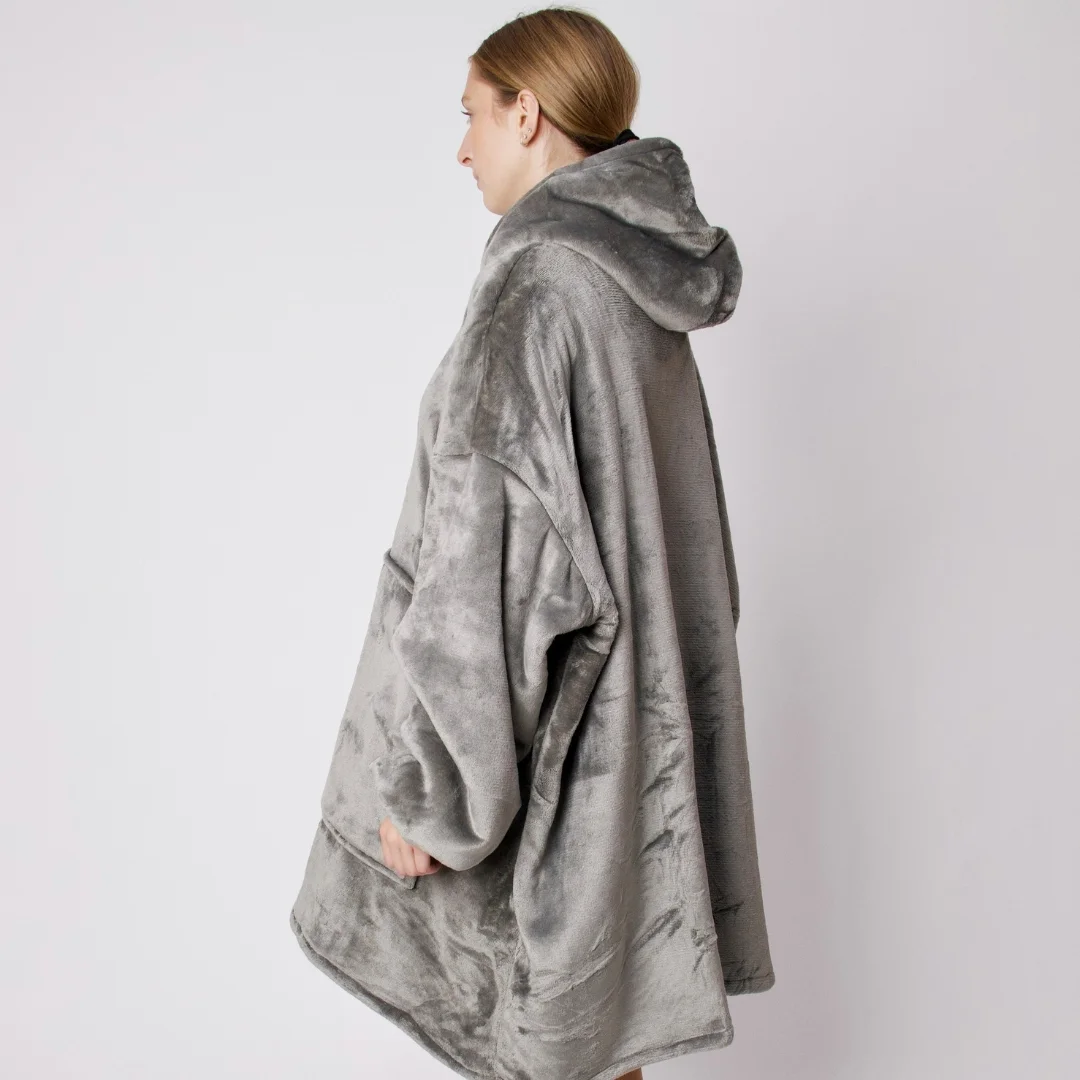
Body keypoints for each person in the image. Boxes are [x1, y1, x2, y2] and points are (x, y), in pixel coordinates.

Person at [289, 8, 775, 1080]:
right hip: (637, 754)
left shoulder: (537, 288)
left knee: (552, 1048)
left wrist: (434, 791)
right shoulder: (639, 285)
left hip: (556, 768)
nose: (461, 149)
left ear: (527, 111)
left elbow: (491, 573)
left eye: (472, 114)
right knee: (606, 1051)